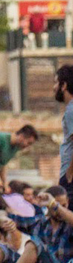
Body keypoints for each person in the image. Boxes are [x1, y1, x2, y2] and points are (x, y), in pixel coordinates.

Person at [55, 65, 73, 198]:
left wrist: (69, 173)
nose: (54, 87)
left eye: (56, 82)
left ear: (64, 85)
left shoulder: (71, 111)